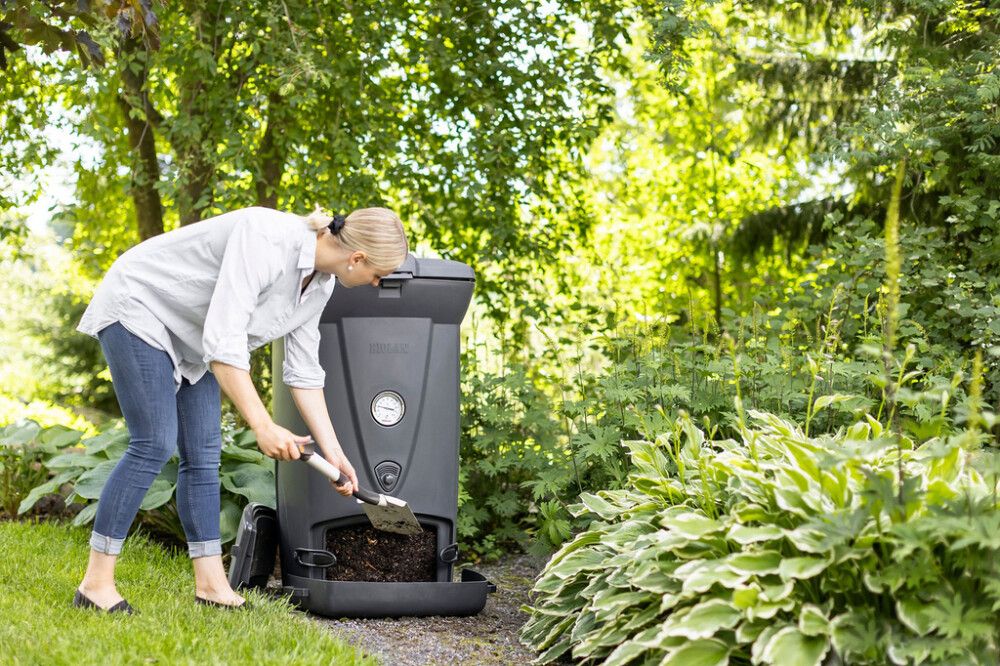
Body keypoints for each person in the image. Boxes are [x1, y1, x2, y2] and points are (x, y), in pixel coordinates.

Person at [71, 205, 409, 613]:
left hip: (195, 337)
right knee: (154, 443)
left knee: (203, 455)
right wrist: (264, 425)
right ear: (357, 258)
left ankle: (211, 585)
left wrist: (335, 453)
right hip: (142, 308)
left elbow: (303, 372)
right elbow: (225, 344)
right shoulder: (265, 236)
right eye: (378, 274)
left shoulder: (320, 286)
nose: (377, 283)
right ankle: (96, 584)